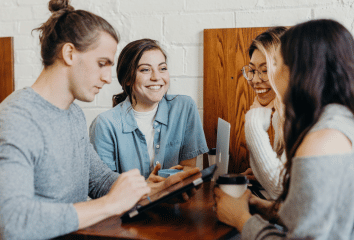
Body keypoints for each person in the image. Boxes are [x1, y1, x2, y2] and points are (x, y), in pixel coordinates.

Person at [0, 1, 198, 239]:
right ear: (69, 53)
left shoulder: (72, 114)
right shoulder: (16, 119)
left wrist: (153, 190)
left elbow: (99, 180)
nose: (107, 78)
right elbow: (12, 222)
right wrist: (110, 205)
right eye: (102, 63)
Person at [214, 19, 354, 239]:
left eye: (274, 65)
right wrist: (269, 210)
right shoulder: (337, 121)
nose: (262, 78)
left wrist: (241, 219)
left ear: (300, 70)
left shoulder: (322, 140)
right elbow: (322, 217)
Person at [89, 38, 209, 180]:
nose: (156, 77)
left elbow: (189, 168)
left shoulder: (184, 108)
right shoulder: (104, 124)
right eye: (145, 70)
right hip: (131, 202)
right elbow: (104, 185)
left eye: (162, 68)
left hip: (175, 200)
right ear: (127, 78)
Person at [241, 27, 287, 199]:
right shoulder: (280, 116)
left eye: (265, 70)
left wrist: (254, 120)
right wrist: (261, 175)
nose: (254, 79)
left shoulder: (301, 116)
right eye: (252, 70)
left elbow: (280, 190)